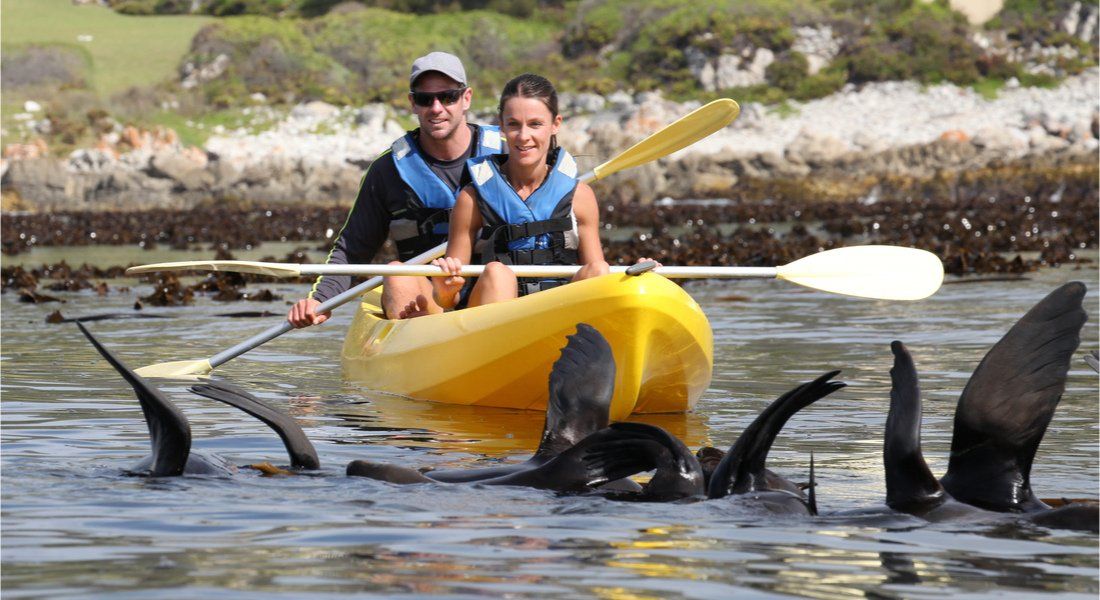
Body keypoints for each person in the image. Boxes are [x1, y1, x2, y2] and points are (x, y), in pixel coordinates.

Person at [286, 51, 502, 327]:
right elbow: (353, 248)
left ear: (466, 98)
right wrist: (320, 300)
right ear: (413, 103)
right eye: (425, 99)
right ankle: (420, 350)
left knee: (498, 273)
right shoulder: (388, 170)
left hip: (493, 294)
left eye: (448, 96)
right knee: (397, 273)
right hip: (426, 301)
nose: (436, 108)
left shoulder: (508, 155)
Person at [424, 73, 610, 313]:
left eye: (535, 124)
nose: (523, 136)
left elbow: (598, 276)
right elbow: (448, 301)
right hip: (493, 318)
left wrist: (639, 278)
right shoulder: (471, 199)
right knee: (497, 273)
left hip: (559, 316)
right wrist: (445, 290)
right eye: (513, 124)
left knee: (598, 269)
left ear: (555, 124)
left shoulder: (580, 196)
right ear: (501, 125)